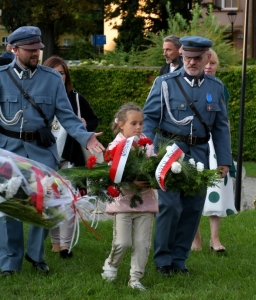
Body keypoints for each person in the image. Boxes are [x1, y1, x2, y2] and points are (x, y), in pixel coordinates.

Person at [0, 26, 105, 277]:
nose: (36, 53)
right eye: (30, 49)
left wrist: (87, 137)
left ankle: (36, 256)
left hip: (41, 151)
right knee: (8, 208)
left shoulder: (52, 78)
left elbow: (67, 117)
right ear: (14, 50)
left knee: (45, 205)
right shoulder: (1, 76)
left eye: (38, 49)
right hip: (9, 151)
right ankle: (9, 262)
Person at [143, 36, 232, 276]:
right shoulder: (164, 83)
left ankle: (179, 260)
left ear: (206, 58)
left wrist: (224, 160)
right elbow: (149, 118)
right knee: (170, 206)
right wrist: (148, 148)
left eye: (197, 58)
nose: (192, 62)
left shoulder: (215, 86)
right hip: (170, 154)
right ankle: (163, 260)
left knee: (193, 208)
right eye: (188, 57)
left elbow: (221, 126)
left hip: (200, 155)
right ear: (181, 56)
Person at [43, 56, 99, 258]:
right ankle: (55, 242)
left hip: (70, 159)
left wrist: (85, 124)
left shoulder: (75, 99)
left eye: (61, 73)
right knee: (50, 204)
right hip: (47, 160)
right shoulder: (39, 98)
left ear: (66, 75)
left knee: (68, 203)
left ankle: (66, 246)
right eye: (53, 72)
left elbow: (93, 121)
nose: (58, 76)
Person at [101, 103, 158, 291]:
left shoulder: (147, 145)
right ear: (121, 124)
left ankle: (135, 279)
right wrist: (130, 181)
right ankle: (111, 264)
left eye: (141, 123)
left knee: (142, 243)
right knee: (122, 242)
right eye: (133, 123)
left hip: (145, 202)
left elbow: (156, 165)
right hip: (123, 203)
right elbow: (111, 174)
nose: (139, 128)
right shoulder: (115, 146)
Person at [191, 49, 237, 252]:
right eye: (206, 62)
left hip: (215, 144)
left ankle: (215, 239)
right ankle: (195, 240)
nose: (209, 66)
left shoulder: (220, 88)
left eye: (214, 63)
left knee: (217, 187)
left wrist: (225, 150)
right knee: (192, 187)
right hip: (195, 141)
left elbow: (223, 120)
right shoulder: (186, 84)